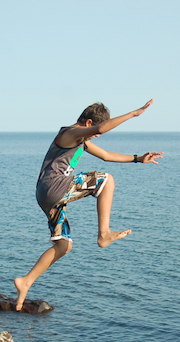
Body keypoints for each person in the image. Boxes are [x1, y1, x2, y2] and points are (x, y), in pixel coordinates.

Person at [14, 98, 163, 311]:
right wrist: (133, 114)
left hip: (47, 195)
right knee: (106, 180)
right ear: (88, 122)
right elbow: (101, 127)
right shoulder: (70, 133)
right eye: (95, 131)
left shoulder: (81, 140)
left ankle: (25, 281)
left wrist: (138, 158)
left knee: (63, 245)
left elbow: (107, 155)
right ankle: (104, 234)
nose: (97, 135)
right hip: (53, 187)